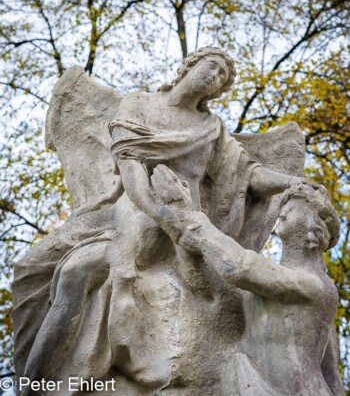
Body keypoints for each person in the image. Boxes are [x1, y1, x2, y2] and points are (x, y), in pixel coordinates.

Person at [15, 48, 316, 394]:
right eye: (211, 67)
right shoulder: (138, 104)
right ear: (190, 65)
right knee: (58, 272)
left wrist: (292, 182)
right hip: (133, 216)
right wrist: (161, 213)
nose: (214, 77)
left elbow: (251, 176)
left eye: (221, 77)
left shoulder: (212, 128)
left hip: (188, 225)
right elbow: (131, 169)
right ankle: (32, 384)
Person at [150, 165, 344, 395]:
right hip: (252, 384)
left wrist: (191, 218)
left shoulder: (316, 285)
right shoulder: (268, 286)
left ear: (315, 226)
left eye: (292, 207)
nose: (282, 213)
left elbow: (240, 266)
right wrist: (178, 209)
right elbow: (216, 281)